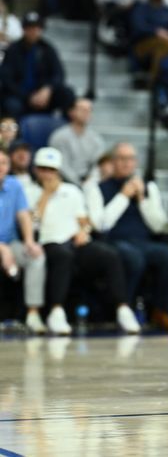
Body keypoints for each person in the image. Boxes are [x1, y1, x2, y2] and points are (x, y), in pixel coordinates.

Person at [32, 147, 140, 335]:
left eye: (52, 169)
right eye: (43, 169)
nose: (48, 174)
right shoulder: (30, 191)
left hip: (75, 241)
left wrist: (84, 231)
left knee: (109, 255)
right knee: (63, 256)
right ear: (36, 170)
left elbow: (84, 220)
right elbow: (33, 224)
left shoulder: (72, 191)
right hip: (48, 242)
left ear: (58, 171)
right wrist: (46, 195)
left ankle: (123, 308)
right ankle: (56, 311)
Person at [86, 143, 168, 329]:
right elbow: (101, 224)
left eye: (131, 159)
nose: (127, 163)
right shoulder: (98, 188)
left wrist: (142, 199)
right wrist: (123, 196)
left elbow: (160, 226)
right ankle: (122, 309)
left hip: (144, 241)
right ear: (112, 162)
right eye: (122, 159)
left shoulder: (148, 188)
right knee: (133, 258)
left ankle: (160, 311)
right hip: (114, 241)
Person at [0, 148, 47, 333]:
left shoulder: (14, 185)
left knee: (36, 257)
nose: (0, 167)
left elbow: (23, 216)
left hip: (11, 242)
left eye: (4, 163)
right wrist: (2, 250)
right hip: (3, 246)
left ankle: (33, 314)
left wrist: (29, 241)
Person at [0, 12, 76, 119]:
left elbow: (59, 74)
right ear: (24, 29)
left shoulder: (47, 49)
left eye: (37, 28)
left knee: (67, 94)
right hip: (20, 96)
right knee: (11, 104)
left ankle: (67, 129)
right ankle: (14, 134)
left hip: (43, 96)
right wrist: (27, 96)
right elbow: (7, 79)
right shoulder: (13, 50)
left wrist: (48, 89)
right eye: (30, 28)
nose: (33, 32)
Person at [47, 98, 106, 185]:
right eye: (82, 109)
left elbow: (98, 164)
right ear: (71, 112)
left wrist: (90, 181)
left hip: (90, 183)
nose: (87, 113)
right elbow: (62, 166)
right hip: (64, 183)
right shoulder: (59, 137)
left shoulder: (97, 139)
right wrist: (79, 183)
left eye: (89, 110)